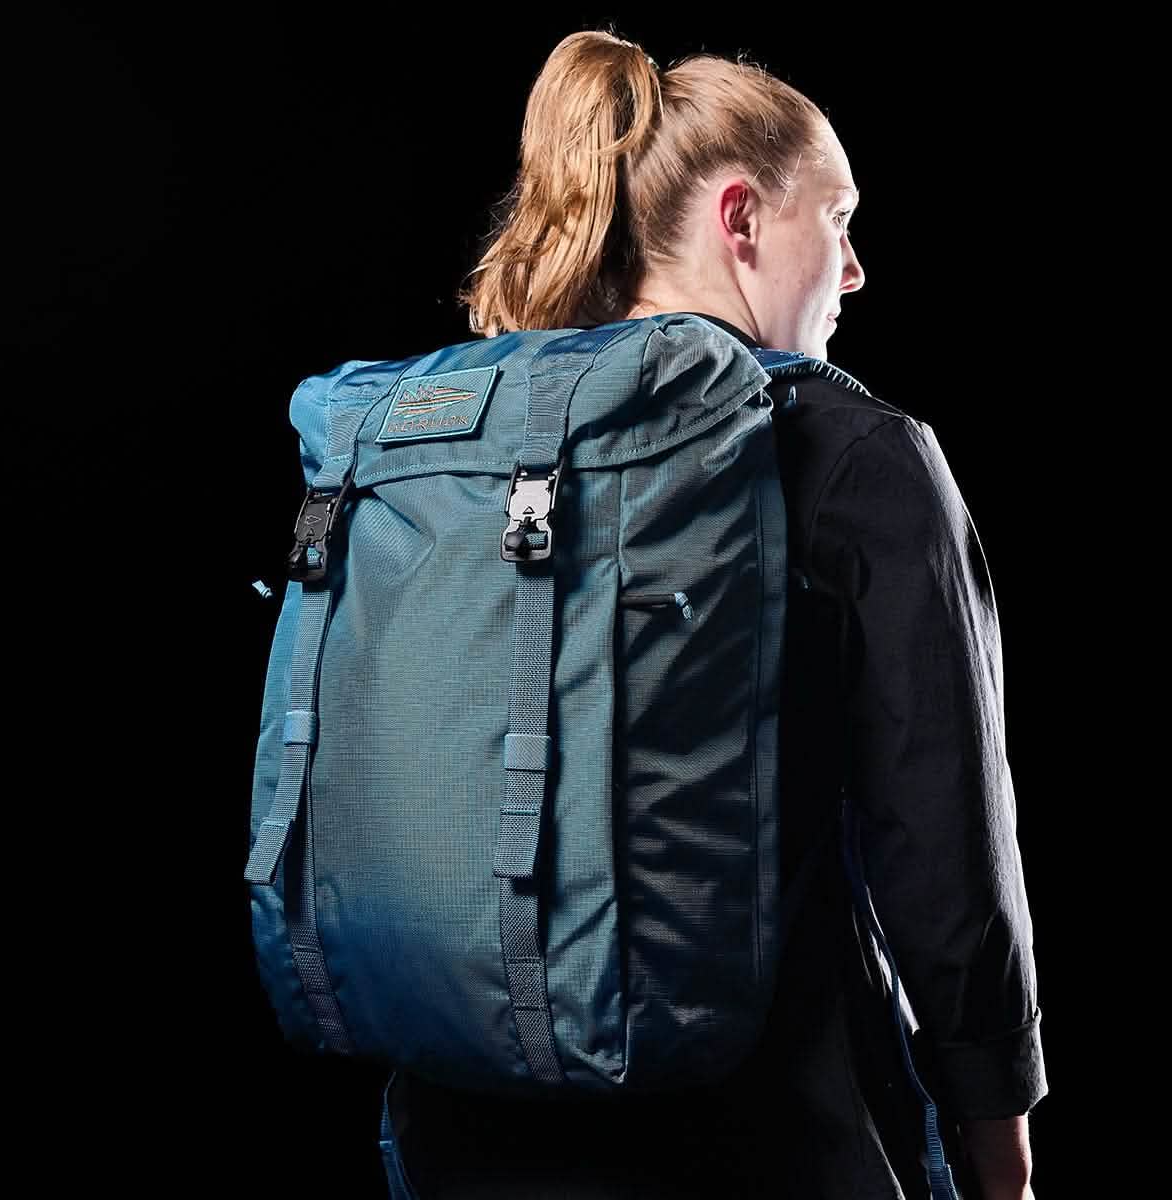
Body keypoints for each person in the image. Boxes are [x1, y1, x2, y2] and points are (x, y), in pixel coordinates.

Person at [383, 28, 1048, 1200]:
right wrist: (1004, 1163)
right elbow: (946, 862)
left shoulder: (478, 440)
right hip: (770, 1131)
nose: (853, 273)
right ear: (741, 220)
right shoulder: (855, 458)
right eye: (836, 221)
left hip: (462, 1133)